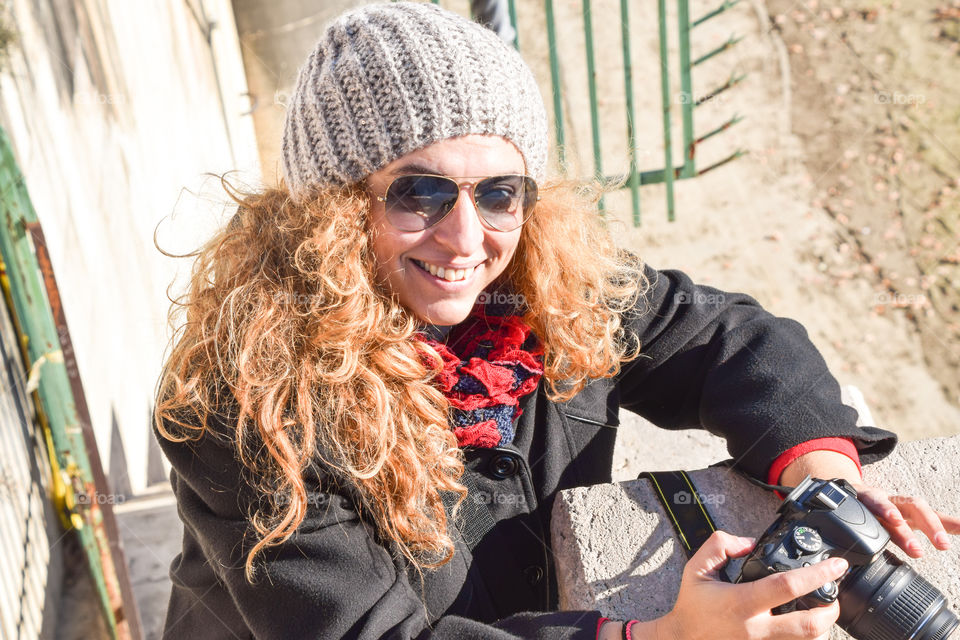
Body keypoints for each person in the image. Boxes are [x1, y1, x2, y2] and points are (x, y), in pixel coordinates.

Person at [153, 3, 960, 639]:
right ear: (329, 210)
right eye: (419, 192)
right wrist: (658, 637)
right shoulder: (243, 405)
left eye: (500, 191)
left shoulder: (543, 288)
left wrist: (822, 477)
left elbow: (727, 338)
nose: (467, 239)